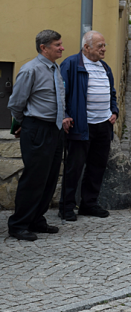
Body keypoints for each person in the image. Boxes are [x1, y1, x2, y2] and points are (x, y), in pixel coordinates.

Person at [7, 30, 72, 241]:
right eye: (57, 45)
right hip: (37, 129)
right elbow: (16, 103)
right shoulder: (30, 70)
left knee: (50, 177)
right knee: (34, 178)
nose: (62, 48)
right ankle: (18, 224)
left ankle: (37, 219)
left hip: (54, 129)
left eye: (61, 44)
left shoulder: (54, 68)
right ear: (43, 48)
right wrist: (25, 122)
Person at [58, 31, 119, 221]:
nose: (104, 49)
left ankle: (89, 204)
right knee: (74, 168)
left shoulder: (105, 67)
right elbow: (61, 93)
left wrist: (114, 111)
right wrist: (65, 115)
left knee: (97, 167)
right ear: (86, 47)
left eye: (104, 45)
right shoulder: (71, 64)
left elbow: (112, 93)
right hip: (81, 126)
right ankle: (66, 207)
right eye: (100, 45)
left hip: (103, 125)